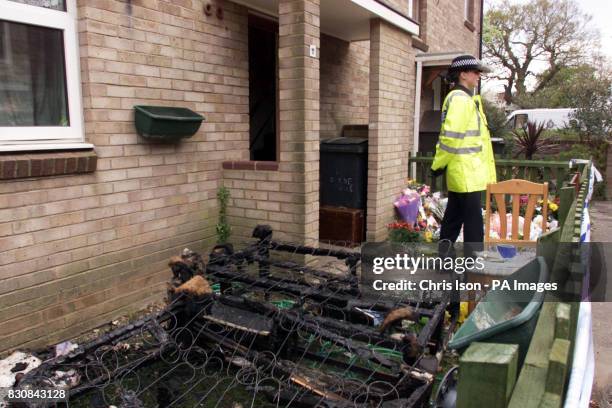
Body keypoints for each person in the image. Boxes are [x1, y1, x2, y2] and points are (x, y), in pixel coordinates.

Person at [430, 55, 496, 256]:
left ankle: (444, 261)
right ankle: (472, 268)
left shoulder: (464, 98)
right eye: (476, 72)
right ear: (463, 74)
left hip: (464, 172)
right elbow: (451, 138)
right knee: (473, 225)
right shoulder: (460, 99)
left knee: (452, 219)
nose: (479, 76)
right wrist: (437, 165)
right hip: (467, 173)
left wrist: (440, 165)